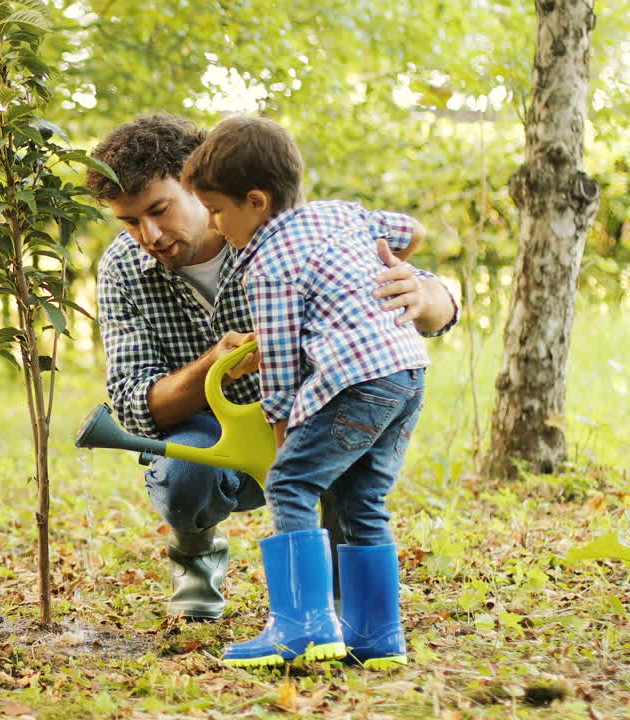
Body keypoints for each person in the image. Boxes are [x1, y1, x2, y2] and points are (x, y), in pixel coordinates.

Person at [84, 114, 458, 627]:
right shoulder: (122, 269)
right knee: (183, 477)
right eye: (129, 221)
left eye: (159, 210)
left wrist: (429, 294)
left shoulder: (277, 237)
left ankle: (335, 620)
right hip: (222, 430)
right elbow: (132, 403)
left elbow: (430, 288)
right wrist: (214, 364)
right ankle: (204, 561)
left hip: (317, 404)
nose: (148, 234)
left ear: (196, 185)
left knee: (344, 490)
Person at [180, 113, 430, 668]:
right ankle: (375, 636)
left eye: (218, 211)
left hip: (356, 381)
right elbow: (411, 232)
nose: (216, 227)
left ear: (256, 201)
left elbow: (283, 379)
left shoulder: (267, 265)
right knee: (362, 497)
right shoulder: (338, 214)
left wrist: (280, 441)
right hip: (407, 370)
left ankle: (302, 627)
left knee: (291, 484)